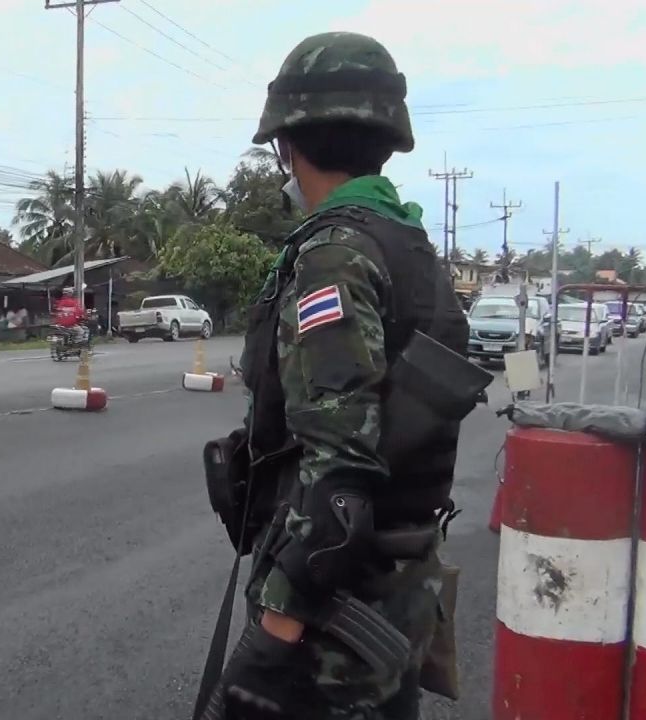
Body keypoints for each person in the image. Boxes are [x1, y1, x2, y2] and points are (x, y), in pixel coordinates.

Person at [201, 32, 474, 720]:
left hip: (335, 619)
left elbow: (340, 483)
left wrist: (273, 639)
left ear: (288, 143)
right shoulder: (409, 245)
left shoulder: (336, 254)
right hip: (400, 587)